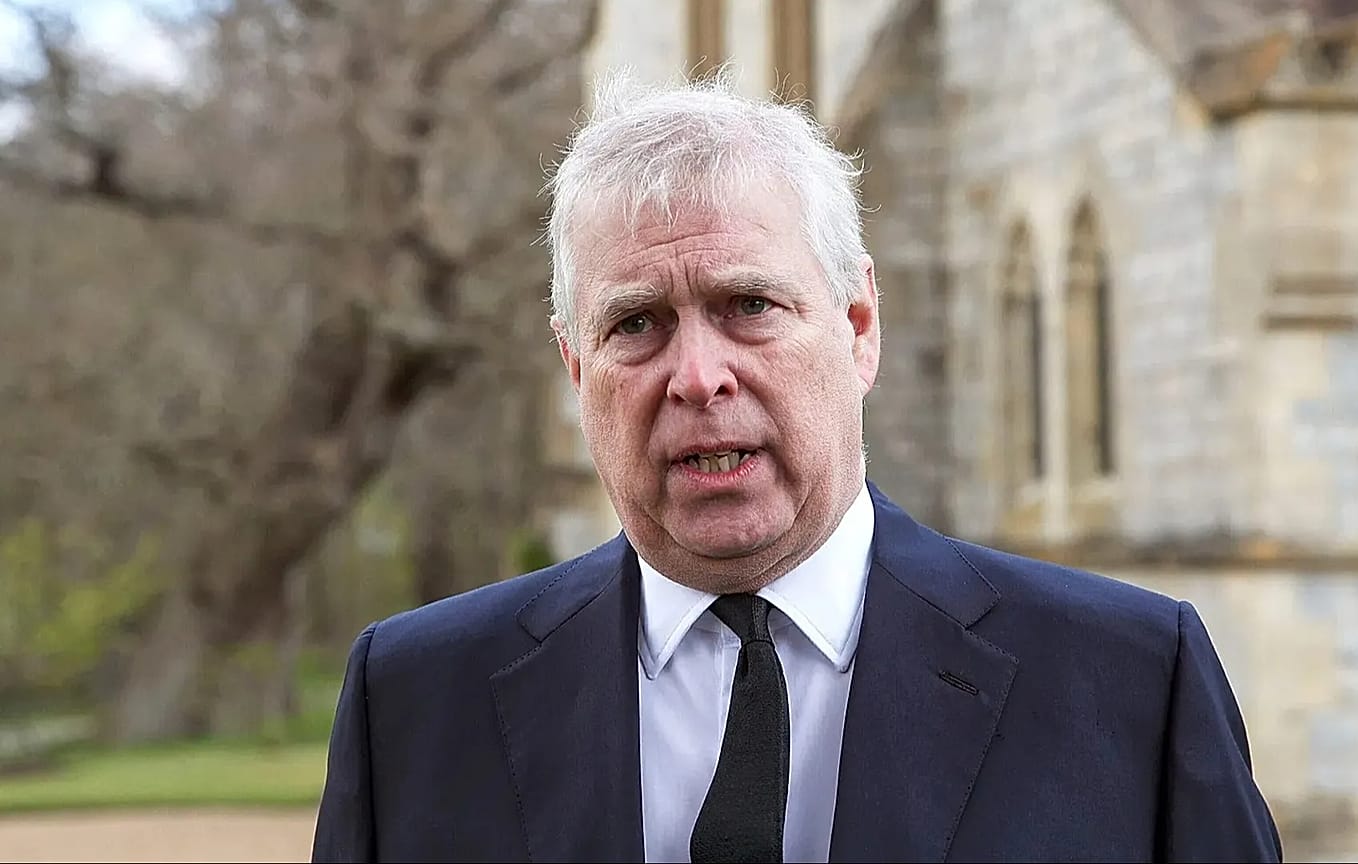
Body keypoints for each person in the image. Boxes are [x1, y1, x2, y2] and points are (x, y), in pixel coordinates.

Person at [311, 72, 1282, 863]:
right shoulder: (414, 704)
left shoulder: (1128, 684)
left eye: (749, 306)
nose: (697, 377)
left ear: (858, 328)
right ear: (576, 366)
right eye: (637, 324)